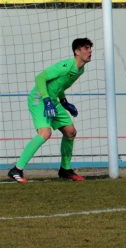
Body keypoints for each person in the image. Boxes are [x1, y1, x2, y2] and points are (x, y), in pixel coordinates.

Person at [7, 38, 93, 183]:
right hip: (39, 99)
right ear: (77, 51)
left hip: (52, 100)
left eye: (90, 48)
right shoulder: (65, 66)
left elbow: (58, 86)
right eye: (86, 48)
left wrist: (64, 101)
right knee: (45, 133)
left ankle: (65, 170)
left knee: (70, 132)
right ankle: (17, 168)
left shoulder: (81, 69)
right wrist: (46, 100)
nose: (90, 51)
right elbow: (40, 78)